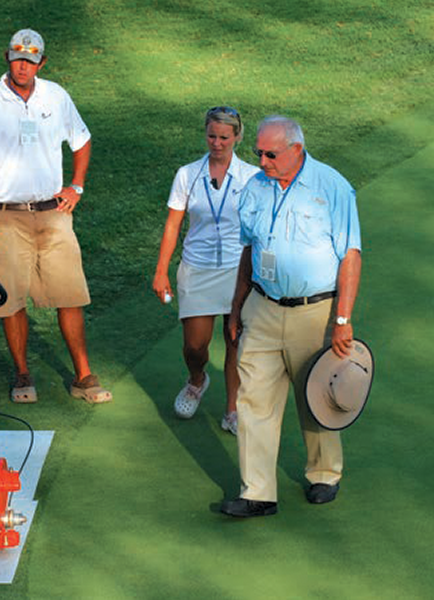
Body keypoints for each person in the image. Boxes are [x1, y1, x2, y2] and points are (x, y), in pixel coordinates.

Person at [220, 115, 362, 518]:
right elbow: (249, 249)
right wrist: (236, 307)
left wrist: (343, 319)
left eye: (271, 154)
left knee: (315, 396)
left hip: (315, 311)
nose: (262, 161)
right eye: (258, 153)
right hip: (262, 307)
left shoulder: (331, 187)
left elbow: (351, 254)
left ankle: (324, 474)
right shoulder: (255, 188)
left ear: (296, 150)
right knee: (253, 399)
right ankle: (258, 492)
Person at [0, 28, 111, 405]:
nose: (23, 66)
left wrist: (76, 185)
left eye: (30, 60)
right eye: (17, 59)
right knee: (11, 300)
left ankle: (83, 374)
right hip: (5, 215)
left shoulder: (56, 96)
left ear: (42, 62)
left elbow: (82, 139)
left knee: (70, 295)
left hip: (54, 213)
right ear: (7, 59)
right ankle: (22, 372)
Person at [152, 106, 260, 434]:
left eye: (224, 137)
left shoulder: (253, 177)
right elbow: (173, 225)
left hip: (237, 269)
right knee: (195, 345)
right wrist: (160, 271)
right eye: (212, 135)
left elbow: (259, 228)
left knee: (234, 340)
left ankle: (232, 408)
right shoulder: (188, 174)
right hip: (196, 268)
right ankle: (197, 379)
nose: (217, 143)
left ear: (237, 137)